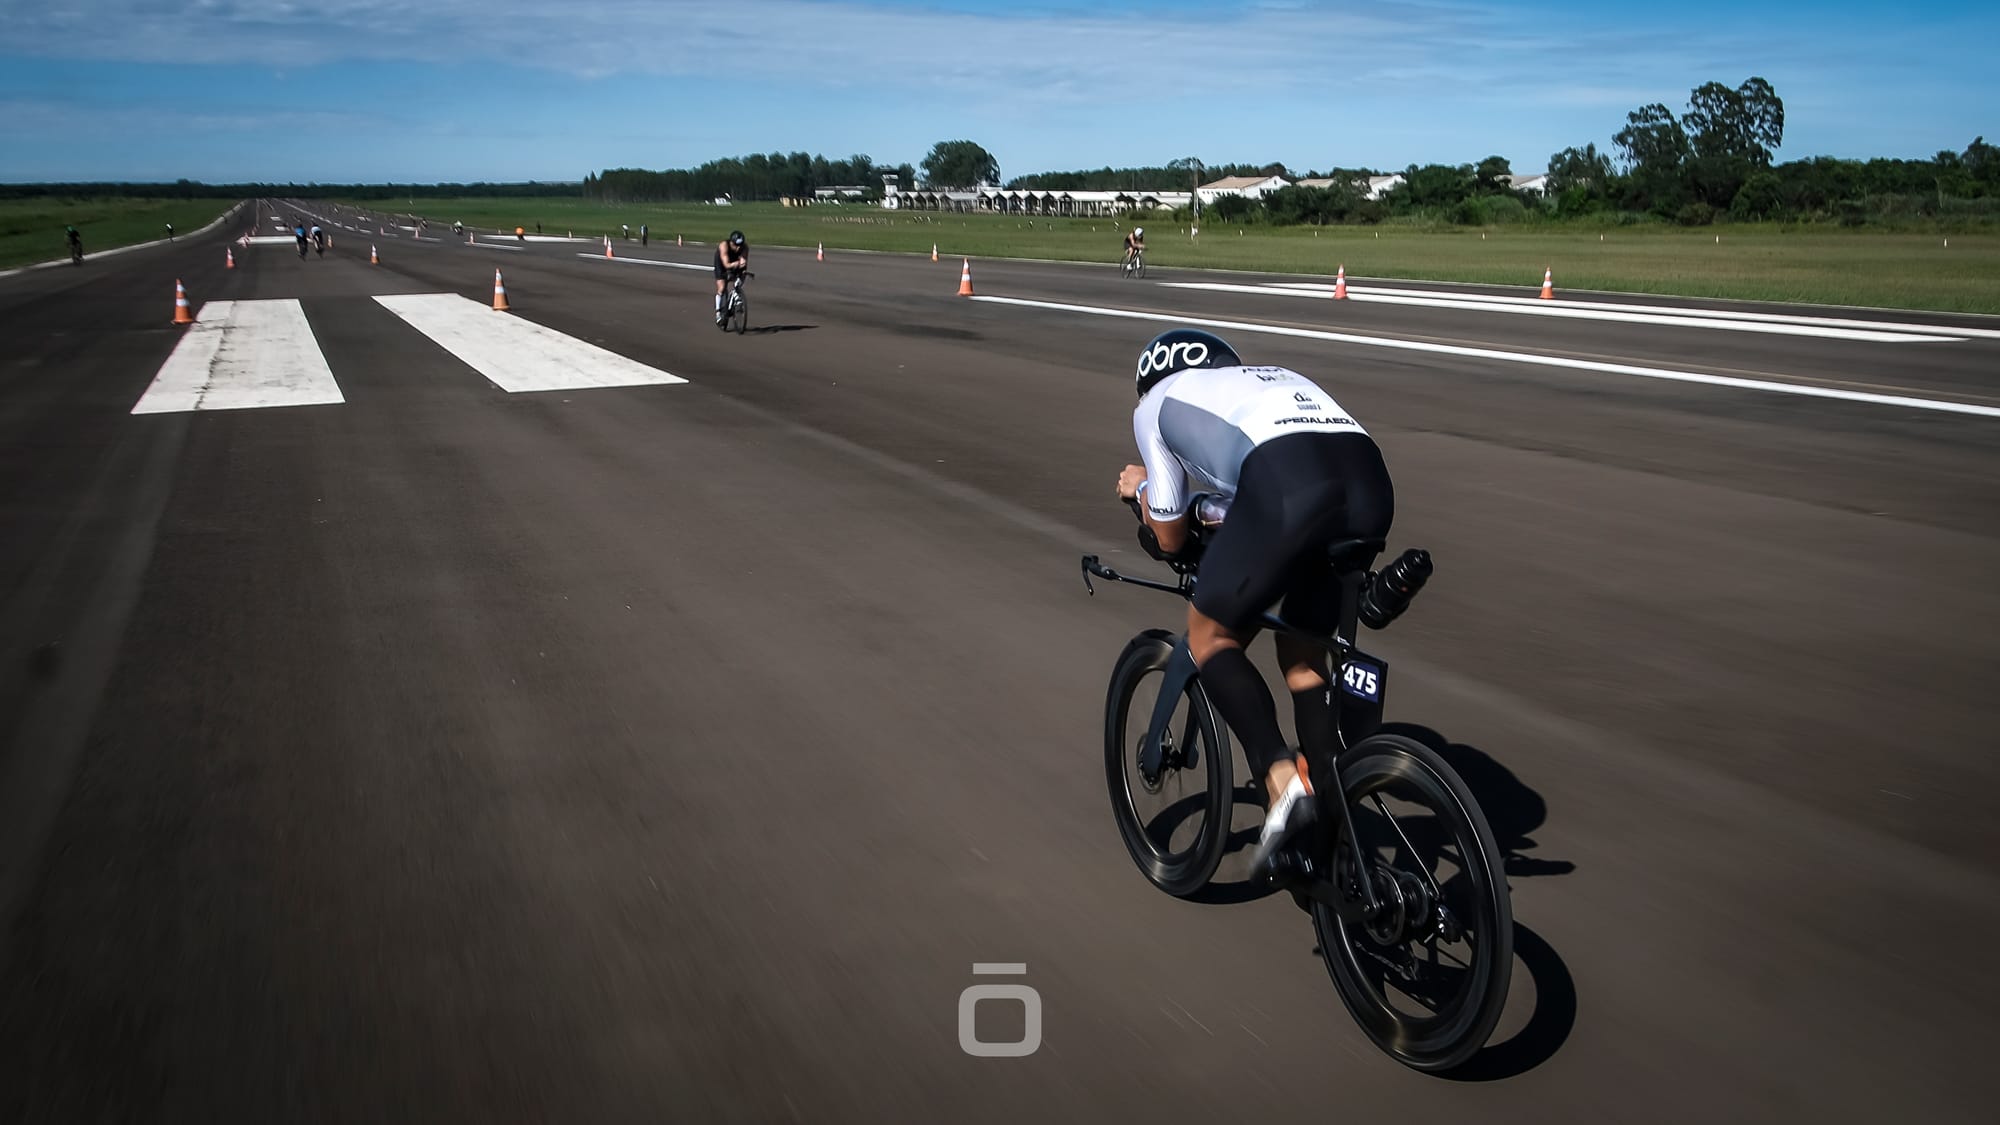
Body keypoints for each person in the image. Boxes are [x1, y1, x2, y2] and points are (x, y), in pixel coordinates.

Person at [1114, 329, 1394, 872]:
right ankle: (1333, 822)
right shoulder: (1261, 382)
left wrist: (1142, 488)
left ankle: (1283, 781)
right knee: (1304, 656)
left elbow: (1168, 532)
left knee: (1210, 636)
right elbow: (1247, 501)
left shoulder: (1156, 404)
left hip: (1288, 487)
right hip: (1370, 484)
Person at [713, 230, 749, 323]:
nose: (738, 248)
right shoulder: (724, 246)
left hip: (735, 262)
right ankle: (718, 313)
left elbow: (744, 262)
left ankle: (736, 295)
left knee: (741, 277)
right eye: (736, 245)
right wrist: (735, 264)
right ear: (731, 243)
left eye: (740, 245)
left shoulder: (744, 247)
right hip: (722, 263)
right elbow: (726, 265)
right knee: (722, 287)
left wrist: (742, 268)